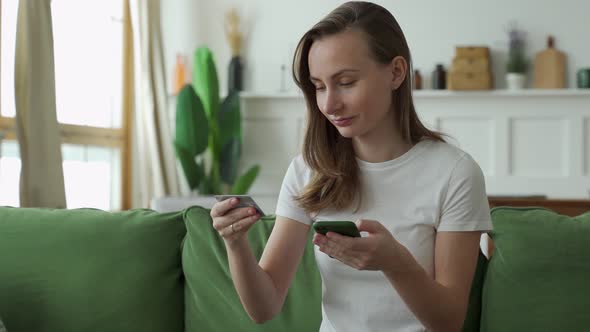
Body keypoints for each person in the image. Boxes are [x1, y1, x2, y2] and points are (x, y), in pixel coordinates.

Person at [210, 2, 492, 331]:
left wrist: (395, 262)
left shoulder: (454, 172)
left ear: (396, 72)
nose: (329, 104)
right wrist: (236, 244)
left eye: (345, 82)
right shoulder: (308, 171)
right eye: (318, 86)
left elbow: (449, 321)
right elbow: (264, 306)